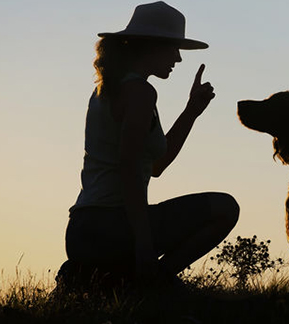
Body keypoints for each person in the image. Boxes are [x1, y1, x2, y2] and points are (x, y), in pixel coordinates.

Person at [59, 1, 239, 291]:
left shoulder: (107, 90)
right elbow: (129, 168)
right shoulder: (141, 92)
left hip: (83, 229)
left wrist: (191, 111)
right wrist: (144, 244)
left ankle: (114, 280)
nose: (178, 58)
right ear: (151, 46)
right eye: (173, 48)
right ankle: (154, 282)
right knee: (225, 207)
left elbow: (156, 166)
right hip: (111, 225)